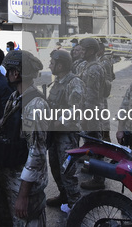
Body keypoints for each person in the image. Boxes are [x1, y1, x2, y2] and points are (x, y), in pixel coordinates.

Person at [0, 50, 48, 226]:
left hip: (24, 185)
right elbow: (8, 119)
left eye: (9, 70)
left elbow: (37, 153)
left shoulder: (36, 105)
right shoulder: (16, 97)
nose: (7, 74)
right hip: (9, 177)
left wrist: (23, 195)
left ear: (16, 73)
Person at [46, 49, 83, 212]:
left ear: (60, 65)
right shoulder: (57, 82)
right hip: (55, 133)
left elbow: (75, 110)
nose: (50, 65)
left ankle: (76, 204)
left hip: (66, 134)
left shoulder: (74, 82)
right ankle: (64, 195)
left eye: (52, 63)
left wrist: (57, 123)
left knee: (67, 170)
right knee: (54, 166)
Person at [78, 38, 108, 190]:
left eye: (83, 50)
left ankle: (98, 179)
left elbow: (92, 96)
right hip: (89, 111)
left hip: (92, 112)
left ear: (90, 51)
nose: (81, 52)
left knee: (96, 145)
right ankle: (92, 167)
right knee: (91, 142)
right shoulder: (87, 66)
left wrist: (86, 116)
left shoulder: (94, 69)